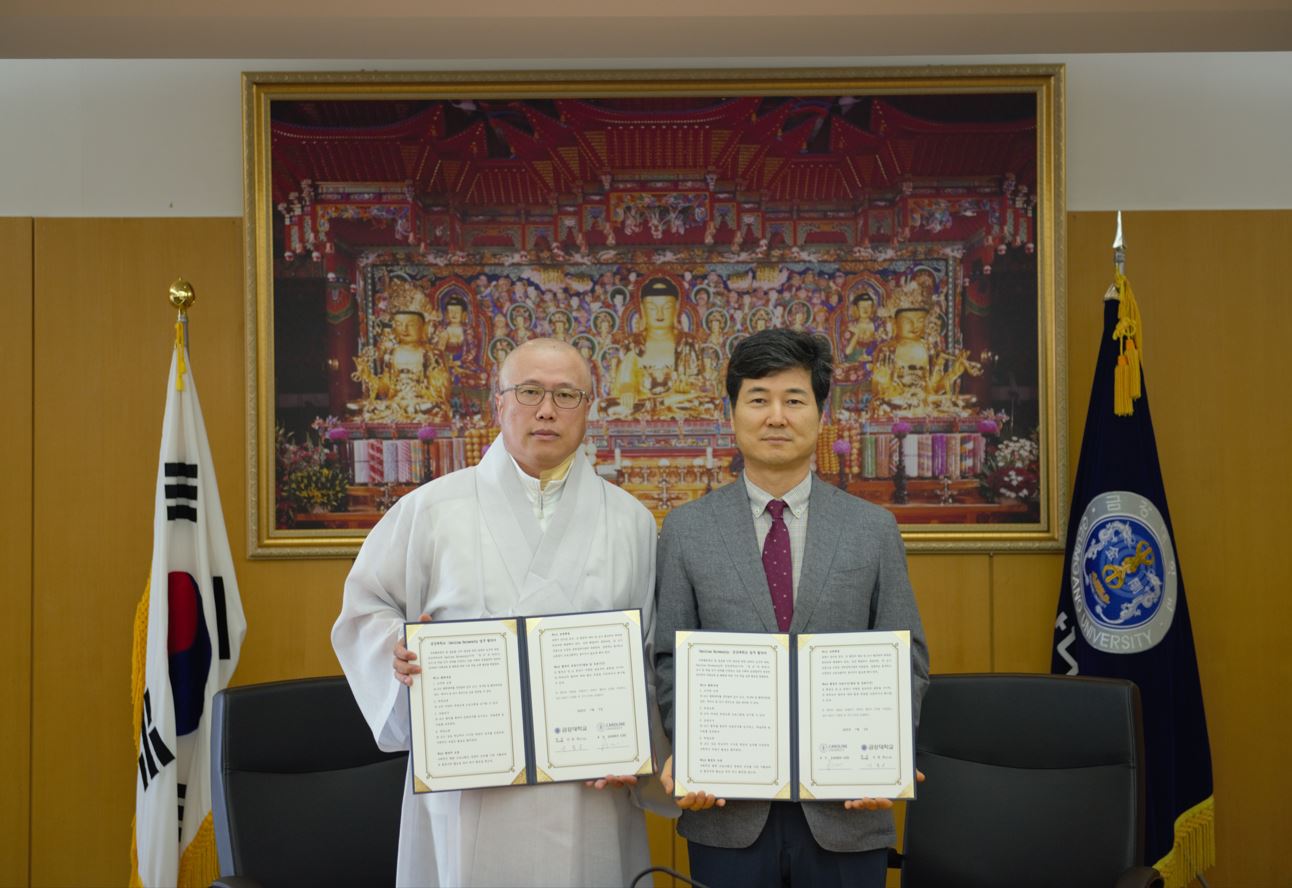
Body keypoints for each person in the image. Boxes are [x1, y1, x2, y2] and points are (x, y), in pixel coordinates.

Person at [333, 338, 671, 887]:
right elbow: (362, 614)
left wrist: (639, 753)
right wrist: (394, 651)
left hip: (587, 790)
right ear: (498, 404)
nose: (546, 409)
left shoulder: (630, 522)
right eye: (530, 391)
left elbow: (652, 655)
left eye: (566, 395)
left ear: (589, 407)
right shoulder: (431, 510)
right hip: (470, 786)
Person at [653, 328, 930, 888]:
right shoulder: (687, 529)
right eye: (758, 399)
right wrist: (691, 753)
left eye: (794, 400)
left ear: (820, 416)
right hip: (726, 811)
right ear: (732, 415)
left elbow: (908, 658)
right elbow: (669, 662)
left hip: (847, 810)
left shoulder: (872, 529)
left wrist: (888, 755)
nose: (776, 416)